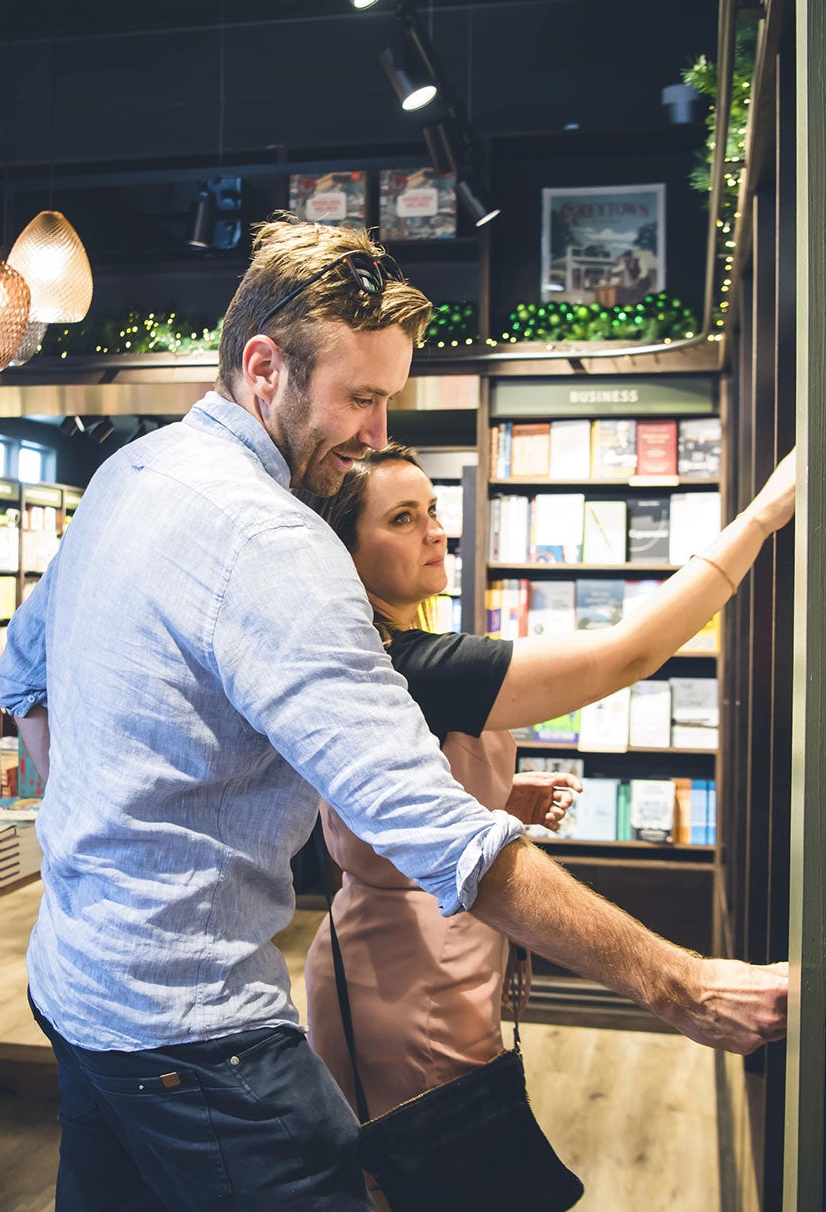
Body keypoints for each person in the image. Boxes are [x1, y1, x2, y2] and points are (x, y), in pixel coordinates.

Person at [0, 213, 788, 1212]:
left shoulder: (128, 477)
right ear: (263, 366)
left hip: (79, 987)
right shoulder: (271, 540)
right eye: (359, 399)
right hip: (194, 1026)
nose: (373, 431)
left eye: (386, 400)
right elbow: (431, 827)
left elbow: (22, 670)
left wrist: (92, 820)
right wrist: (674, 980)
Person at [301, 442, 797, 1141]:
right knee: (416, 1208)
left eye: (433, 510)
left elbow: (390, 799)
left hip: (414, 956)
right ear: (344, 551)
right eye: (404, 519)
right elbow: (630, 653)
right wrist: (766, 514)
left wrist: (491, 794)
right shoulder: (415, 665)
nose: (436, 530)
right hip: (410, 977)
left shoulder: (392, 652)